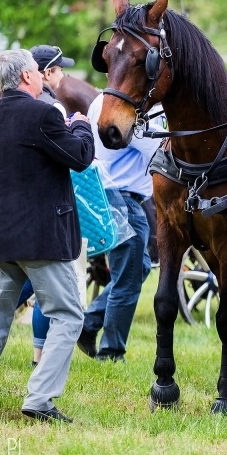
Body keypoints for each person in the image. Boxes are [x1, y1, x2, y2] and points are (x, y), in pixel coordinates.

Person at [0, 49, 94, 423]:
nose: (41, 75)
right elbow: (80, 157)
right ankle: (39, 398)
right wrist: (80, 123)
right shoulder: (45, 114)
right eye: (36, 70)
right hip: (41, 238)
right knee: (67, 316)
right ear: (28, 78)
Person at [75, 94, 161, 362]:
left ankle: (88, 324)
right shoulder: (129, 110)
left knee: (139, 268)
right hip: (124, 199)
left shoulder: (99, 101)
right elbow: (159, 150)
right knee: (128, 277)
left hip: (107, 193)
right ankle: (111, 352)